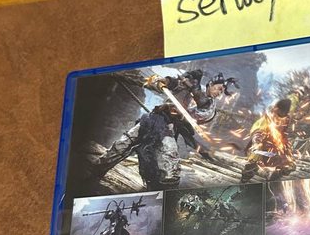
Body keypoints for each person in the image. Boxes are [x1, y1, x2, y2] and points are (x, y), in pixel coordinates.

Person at [94, 70, 237, 190]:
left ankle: (164, 193)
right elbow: (170, 84)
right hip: (153, 119)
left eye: (222, 91)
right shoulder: (189, 84)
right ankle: (94, 173)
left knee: (170, 163)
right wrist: (167, 81)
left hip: (169, 128)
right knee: (123, 144)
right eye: (219, 88)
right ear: (210, 84)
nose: (219, 93)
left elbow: (198, 110)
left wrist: (192, 91)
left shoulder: (209, 106)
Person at [240, 98, 296, 183]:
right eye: (280, 111)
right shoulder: (268, 116)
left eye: (284, 112)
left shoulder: (287, 119)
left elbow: (283, 133)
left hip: (277, 144)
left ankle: (274, 178)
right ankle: (244, 180)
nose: (281, 114)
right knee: (254, 161)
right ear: (276, 108)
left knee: (286, 164)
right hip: (262, 143)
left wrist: (285, 147)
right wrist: (257, 139)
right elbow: (259, 128)